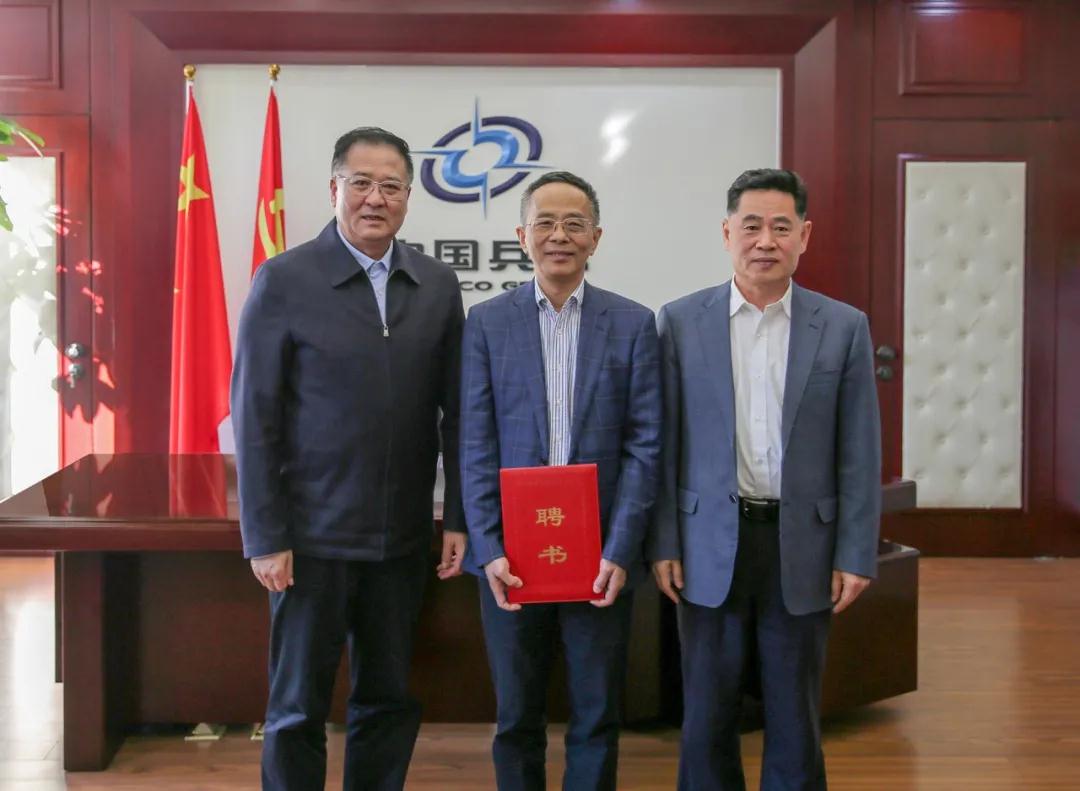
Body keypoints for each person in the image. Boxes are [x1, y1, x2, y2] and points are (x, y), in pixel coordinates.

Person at [231, 126, 467, 791]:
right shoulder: (285, 280)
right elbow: (255, 417)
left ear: (409, 197)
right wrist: (266, 535)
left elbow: (459, 413)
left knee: (388, 699)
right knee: (296, 707)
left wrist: (458, 517)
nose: (375, 198)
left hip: (401, 537)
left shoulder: (436, 284)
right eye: (361, 183)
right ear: (334, 188)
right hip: (311, 541)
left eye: (391, 186)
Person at [649, 168, 881, 790]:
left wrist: (855, 552)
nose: (765, 241)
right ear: (727, 233)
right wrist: (664, 540)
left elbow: (859, 451)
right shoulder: (680, 321)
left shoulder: (843, 326)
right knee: (707, 712)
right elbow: (663, 443)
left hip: (802, 544)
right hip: (706, 542)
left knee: (795, 712)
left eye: (781, 227)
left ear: (804, 236)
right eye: (751, 226)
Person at [459, 171, 662, 791]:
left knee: (597, 714)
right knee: (516, 715)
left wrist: (620, 550)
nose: (559, 236)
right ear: (522, 236)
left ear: (596, 238)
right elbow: (475, 443)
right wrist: (489, 548)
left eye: (575, 224)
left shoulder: (632, 323)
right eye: (544, 223)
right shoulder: (487, 323)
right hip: (513, 559)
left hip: (599, 558)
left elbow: (645, 446)